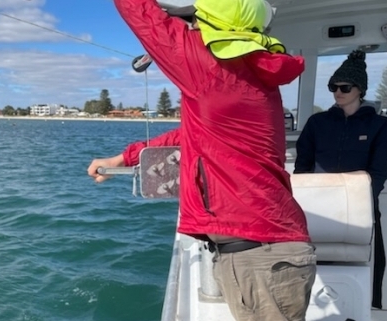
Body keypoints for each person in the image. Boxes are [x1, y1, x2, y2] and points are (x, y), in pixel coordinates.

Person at [88, 1, 316, 320]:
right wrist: (126, 157)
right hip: (269, 254)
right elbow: (194, 135)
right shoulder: (249, 75)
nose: (190, 30)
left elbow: (143, 16)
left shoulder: (208, 66)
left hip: (260, 260)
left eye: (194, 23)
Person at [294, 49, 387, 309]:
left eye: (345, 87)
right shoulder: (317, 123)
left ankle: (366, 308)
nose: (338, 92)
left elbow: (380, 171)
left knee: (370, 262)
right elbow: (303, 165)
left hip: (362, 207)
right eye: (333, 87)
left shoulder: (379, 126)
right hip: (318, 207)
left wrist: (362, 201)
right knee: (314, 262)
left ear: (359, 89)